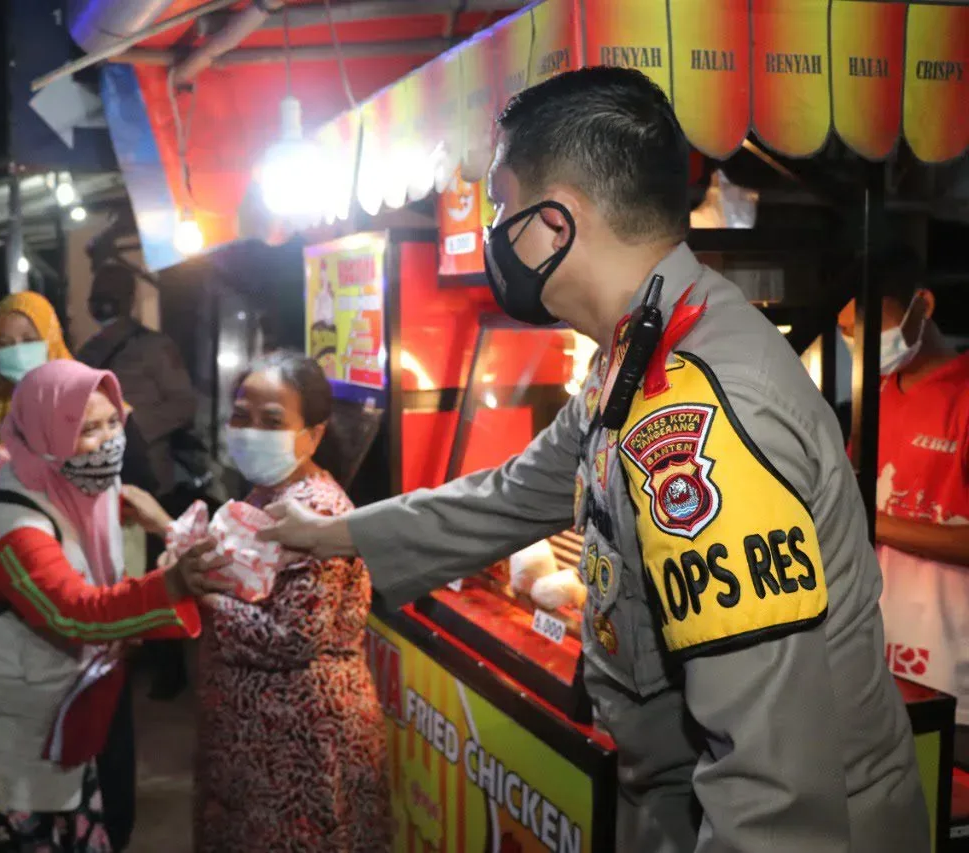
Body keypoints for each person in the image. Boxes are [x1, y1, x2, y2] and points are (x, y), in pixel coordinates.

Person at [261, 67, 928, 852]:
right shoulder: (637, 352)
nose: (495, 231)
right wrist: (331, 535)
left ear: (554, 224)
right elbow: (512, 495)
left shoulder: (698, 404)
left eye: (503, 206)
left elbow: (770, 781)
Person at [0, 359, 208, 852]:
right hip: (0, 730)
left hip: (54, 713)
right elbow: (76, 614)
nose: (108, 441)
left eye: (113, 422)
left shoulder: (79, 486)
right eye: (86, 429)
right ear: (45, 435)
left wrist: (164, 526)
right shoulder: (11, 526)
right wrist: (174, 584)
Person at [124, 351, 391, 852]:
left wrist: (195, 593)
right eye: (240, 416)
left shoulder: (321, 515)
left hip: (301, 744)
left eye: (272, 421)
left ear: (312, 433)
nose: (250, 431)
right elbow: (230, 559)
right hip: (247, 738)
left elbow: (291, 638)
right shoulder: (262, 494)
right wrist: (174, 540)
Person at [838, 248, 969, 769]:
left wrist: (875, 520)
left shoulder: (963, 394)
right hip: (881, 664)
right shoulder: (875, 397)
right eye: (849, 333)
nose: (859, 343)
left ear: (924, 305)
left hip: (956, 675)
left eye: (870, 327)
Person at [78, 258, 197, 701]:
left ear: (128, 296)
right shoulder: (86, 351)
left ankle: (168, 669)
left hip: (147, 477)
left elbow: (183, 405)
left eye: (110, 288)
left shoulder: (155, 347)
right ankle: (127, 658)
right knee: (116, 571)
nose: (102, 298)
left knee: (154, 571)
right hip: (100, 481)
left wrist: (131, 429)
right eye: (99, 288)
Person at [0, 291, 73, 496]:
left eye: (29, 340)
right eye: (4, 344)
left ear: (52, 337)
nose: (18, 352)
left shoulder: (82, 397)